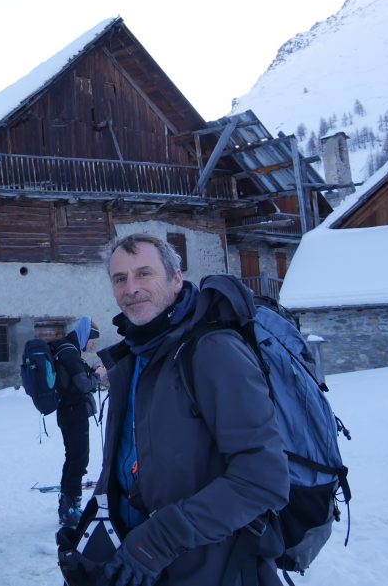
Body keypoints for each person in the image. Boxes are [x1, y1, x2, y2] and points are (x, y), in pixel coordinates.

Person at [90, 233, 290, 586]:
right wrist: (91, 526)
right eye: (120, 278)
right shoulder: (136, 356)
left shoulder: (212, 351)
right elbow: (129, 461)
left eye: (144, 273)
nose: (131, 287)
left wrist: (160, 539)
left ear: (176, 278)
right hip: (149, 566)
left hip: (218, 569)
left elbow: (263, 478)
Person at [50, 316, 103, 527]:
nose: (93, 345)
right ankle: (71, 508)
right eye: (93, 340)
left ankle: (67, 506)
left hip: (67, 411)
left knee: (72, 459)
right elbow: (83, 385)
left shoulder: (66, 350)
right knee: (79, 460)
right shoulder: (70, 353)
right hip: (75, 412)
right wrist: (98, 375)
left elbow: (72, 381)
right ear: (85, 335)